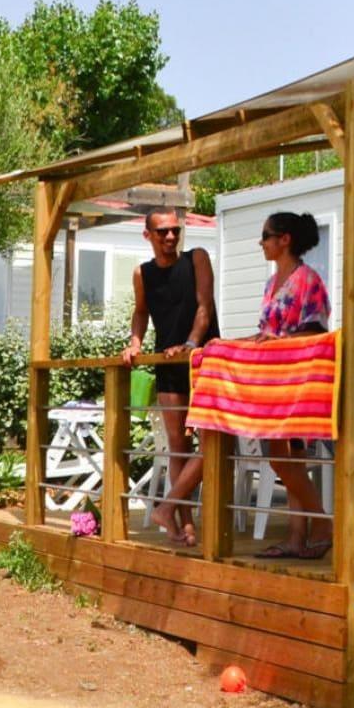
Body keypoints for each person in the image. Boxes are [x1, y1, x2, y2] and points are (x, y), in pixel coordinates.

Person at [120, 206, 215, 547]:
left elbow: (205, 306)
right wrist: (135, 343)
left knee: (214, 443)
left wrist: (190, 344)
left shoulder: (197, 258)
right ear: (148, 235)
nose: (171, 236)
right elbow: (141, 312)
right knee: (179, 446)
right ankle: (184, 525)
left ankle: (168, 507)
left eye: (176, 230)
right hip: (166, 363)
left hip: (204, 361)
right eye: (163, 231)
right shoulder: (142, 273)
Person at [247, 210, 333, 561]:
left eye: (266, 236)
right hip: (273, 382)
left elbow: (317, 331)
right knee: (288, 461)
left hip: (298, 382)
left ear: (284, 240)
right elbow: (267, 332)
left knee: (284, 460)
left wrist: (280, 341)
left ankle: (322, 524)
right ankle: (297, 538)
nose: (261, 243)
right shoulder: (271, 283)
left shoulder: (309, 280)